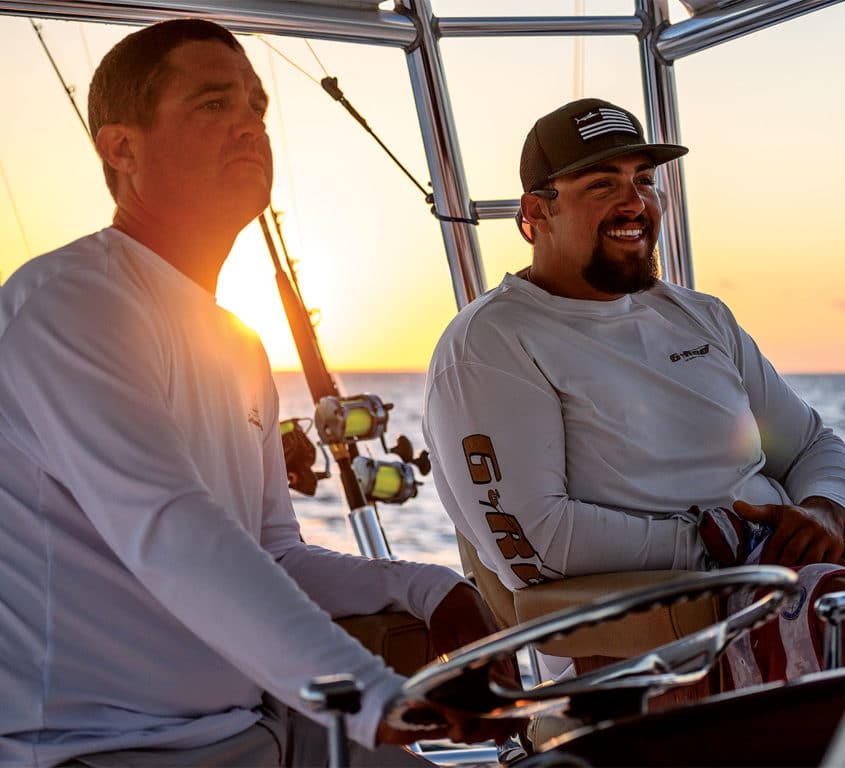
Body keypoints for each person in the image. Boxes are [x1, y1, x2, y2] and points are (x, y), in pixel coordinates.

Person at [0, 19, 507, 768]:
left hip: (262, 725)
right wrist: (369, 695)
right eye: (212, 104)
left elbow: (272, 554)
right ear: (120, 149)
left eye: (257, 107)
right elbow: (170, 526)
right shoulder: (72, 301)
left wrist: (429, 586)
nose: (249, 126)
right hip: (94, 747)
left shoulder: (239, 344)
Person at [423, 98, 845, 684]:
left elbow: (811, 446)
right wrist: (719, 541)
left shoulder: (700, 316)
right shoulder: (491, 342)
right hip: (677, 635)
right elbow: (538, 544)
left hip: (778, 563)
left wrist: (822, 511)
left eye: (644, 181)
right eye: (602, 184)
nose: (635, 203)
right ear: (536, 212)